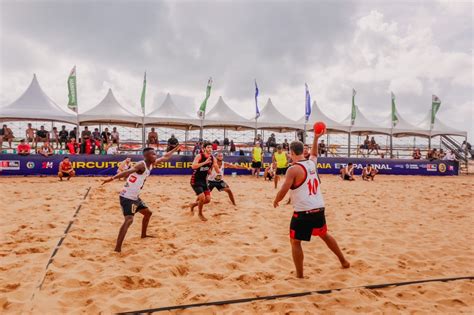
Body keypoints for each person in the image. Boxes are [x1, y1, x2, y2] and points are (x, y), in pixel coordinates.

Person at [273, 134, 350, 278]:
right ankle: (344, 261)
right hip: (319, 207)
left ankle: (300, 275)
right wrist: (315, 138)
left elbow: (284, 189)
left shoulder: (293, 169)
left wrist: (276, 200)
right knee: (324, 235)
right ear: (303, 151)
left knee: (295, 242)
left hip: (303, 211)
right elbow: (314, 153)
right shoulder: (311, 163)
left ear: (291, 152)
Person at [102, 146, 181, 252]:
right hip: (127, 197)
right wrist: (111, 178)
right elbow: (127, 172)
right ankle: (117, 248)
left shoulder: (151, 164)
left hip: (135, 197)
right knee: (129, 220)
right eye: (153, 154)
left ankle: (143, 235)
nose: (155, 155)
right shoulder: (141, 165)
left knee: (148, 213)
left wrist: (175, 149)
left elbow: (165, 157)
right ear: (146, 156)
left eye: (155, 153)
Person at [188, 142, 220, 221]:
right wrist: (205, 163)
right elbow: (193, 166)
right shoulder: (199, 156)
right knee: (202, 198)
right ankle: (200, 214)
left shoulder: (213, 158)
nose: (210, 149)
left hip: (204, 181)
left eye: (211, 148)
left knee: (208, 200)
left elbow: (216, 169)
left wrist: (218, 168)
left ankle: (193, 205)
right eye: (208, 147)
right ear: (204, 148)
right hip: (195, 180)